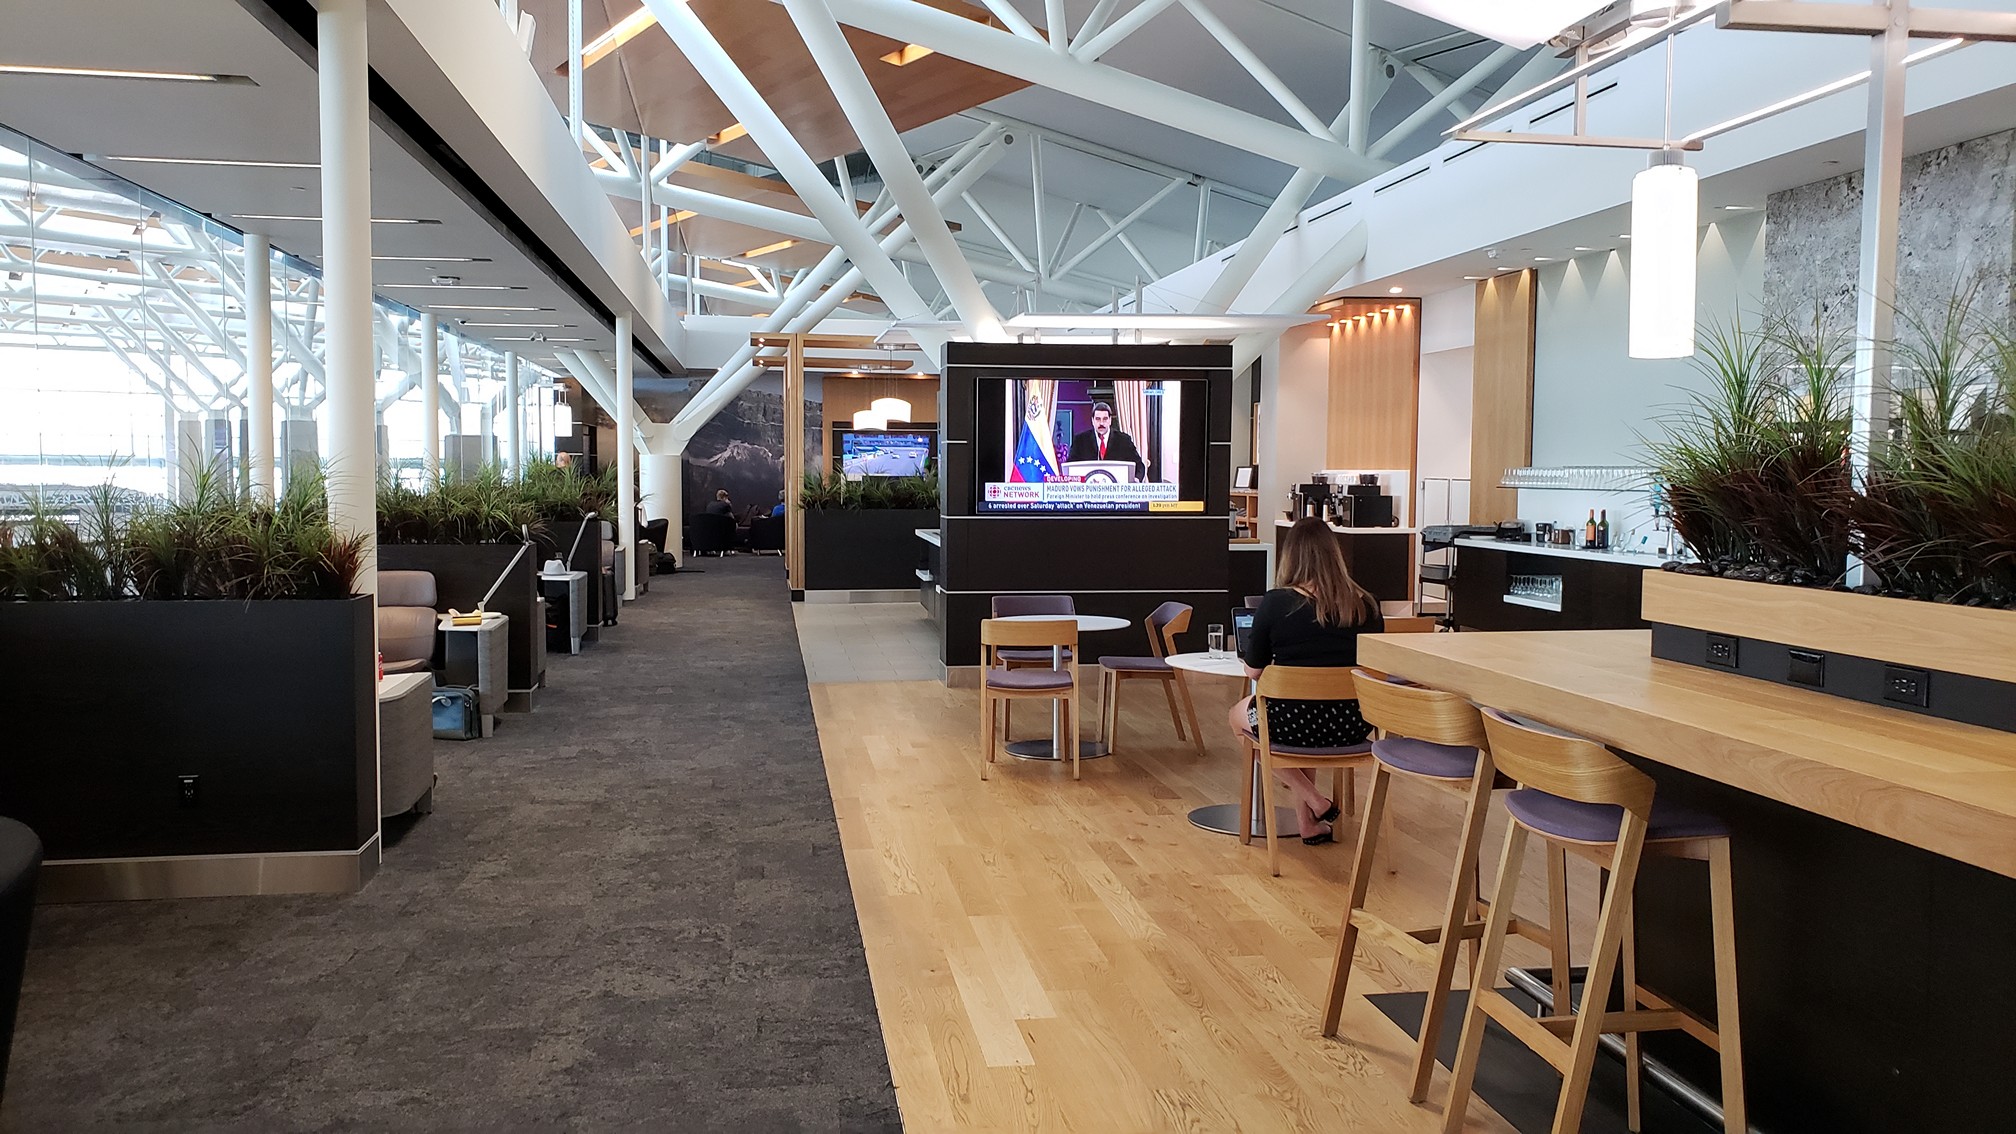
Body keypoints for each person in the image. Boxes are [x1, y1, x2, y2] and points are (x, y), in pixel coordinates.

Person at [1229, 516, 1385, 844]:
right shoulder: (1367, 604)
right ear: (1335, 554)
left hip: (1290, 723)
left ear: (1291, 557)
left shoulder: (1276, 602)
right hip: (1353, 724)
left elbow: (1253, 671)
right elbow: (1375, 668)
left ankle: (1315, 800)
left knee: (1237, 718)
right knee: (1304, 719)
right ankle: (1309, 825)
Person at [1064, 401, 1146, 481]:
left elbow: (1139, 466)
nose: (1101, 423)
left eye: (1105, 419)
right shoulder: (1080, 440)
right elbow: (1070, 466)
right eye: (1098, 419)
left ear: (1110, 420)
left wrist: (1136, 480)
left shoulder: (1124, 440)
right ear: (1092, 421)